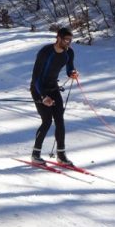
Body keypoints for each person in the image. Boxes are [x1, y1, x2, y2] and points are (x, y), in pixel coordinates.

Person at [30, 27, 79, 165]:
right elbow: (36, 77)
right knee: (47, 120)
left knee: (59, 121)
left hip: (53, 88)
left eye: (70, 40)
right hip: (38, 89)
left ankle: (61, 156)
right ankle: (35, 154)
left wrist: (72, 73)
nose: (68, 42)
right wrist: (43, 96)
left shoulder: (69, 52)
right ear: (58, 38)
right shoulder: (45, 52)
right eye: (66, 40)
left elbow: (70, 68)